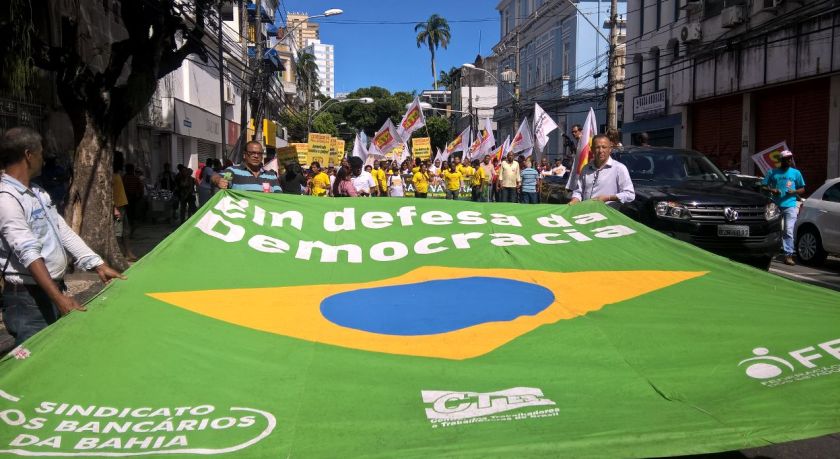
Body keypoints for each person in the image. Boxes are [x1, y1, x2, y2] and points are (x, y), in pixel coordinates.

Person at [0, 127, 125, 345]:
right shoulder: (7, 199)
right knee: (36, 364)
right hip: (28, 300)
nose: (43, 158)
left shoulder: (36, 193)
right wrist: (59, 299)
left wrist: (97, 264)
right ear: (28, 156)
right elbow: (28, 252)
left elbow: (63, 232)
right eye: (40, 152)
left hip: (50, 290)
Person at [761, 150, 805, 266]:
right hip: (775, 205)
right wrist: (772, 190)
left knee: (788, 230)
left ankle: (788, 255)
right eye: (787, 159)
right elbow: (763, 186)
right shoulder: (772, 172)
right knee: (772, 229)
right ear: (781, 160)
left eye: (791, 158)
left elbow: (802, 189)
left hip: (790, 206)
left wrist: (794, 191)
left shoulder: (796, 173)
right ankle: (767, 250)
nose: (790, 160)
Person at [570, 134, 635, 209]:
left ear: (610, 149)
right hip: (586, 214)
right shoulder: (586, 168)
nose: (601, 151)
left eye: (604, 147)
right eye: (597, 147)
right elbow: (578, 191)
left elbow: (630, 194)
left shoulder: (619, 168)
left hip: (607, 216)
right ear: (592, 149)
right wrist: (575, 199)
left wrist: (609, 198)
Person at [212, 141, 281, 193]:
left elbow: (279, 197)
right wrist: (218, 181)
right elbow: (216, 177)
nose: (256, 156)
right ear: (244, 155)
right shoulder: (233, 171)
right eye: (252, 153)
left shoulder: (271, 176)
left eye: (259, 153)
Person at [112, 151, 137, 261]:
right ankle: (120, 253)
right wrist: (114, 208)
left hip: (122, 205)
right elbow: (109, 193)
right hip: (117, 207)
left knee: (126, 231)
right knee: (118, 232)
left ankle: (128, 252)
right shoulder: (111, 174)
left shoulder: (117, 174)